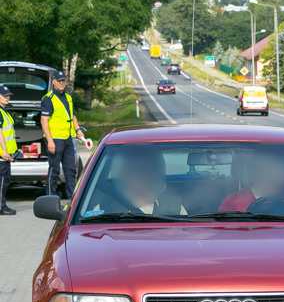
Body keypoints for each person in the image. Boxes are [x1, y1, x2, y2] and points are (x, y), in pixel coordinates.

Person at [92, 146, 185, 215]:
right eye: (134, 171)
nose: (141, 177)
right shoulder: (102, 210)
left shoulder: (175, 208)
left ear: (157, 176)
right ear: (123, 176)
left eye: (147, 171)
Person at [220, 151, 284, 214]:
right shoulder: (233, 201)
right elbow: (227, 236)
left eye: (274, 166)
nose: (270, 171)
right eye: (264, 166)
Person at [40, 71, 85, 199]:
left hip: (67, 139)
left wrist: (78, 130)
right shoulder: (48, 99)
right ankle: (50, 198)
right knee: (54, 170)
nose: (61, 83)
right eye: (59, 80)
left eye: (63, 80)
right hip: (55, 139)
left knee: (71, 170)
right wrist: (49, 141)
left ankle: (72, 199)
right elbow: (44, 121)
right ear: (53, 82)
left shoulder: (68, 97)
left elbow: (72, 115)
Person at [0, 85, 19, 215]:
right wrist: (5, 151)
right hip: (2, 154)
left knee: (4, 181)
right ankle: (1, 207)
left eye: (8, 95)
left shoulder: (4, 111)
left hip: (6, 154)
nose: (7, 98)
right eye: (4, 95)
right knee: (3, 182)